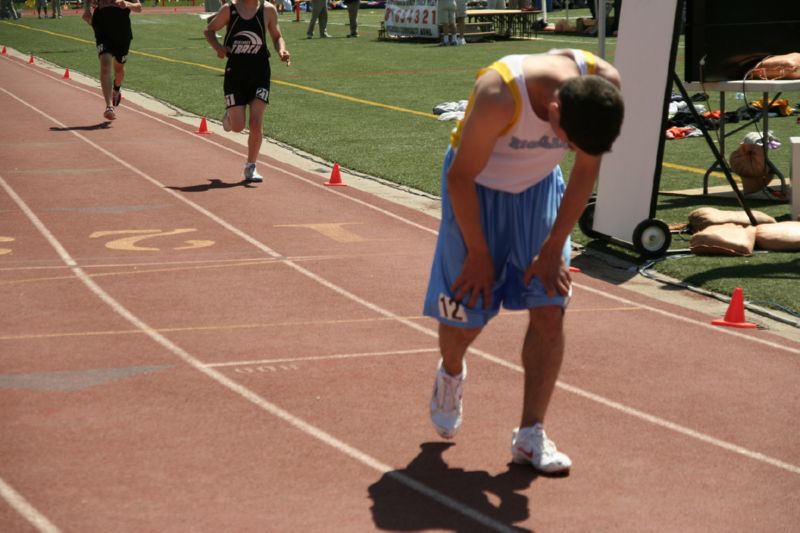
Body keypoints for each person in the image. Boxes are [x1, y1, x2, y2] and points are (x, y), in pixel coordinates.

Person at [424, 49, 623, 474]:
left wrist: (553, 248)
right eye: (565, 141)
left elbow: (586, 170)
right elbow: (460, 176)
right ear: (554, 110)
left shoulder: (601, 88)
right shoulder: (499, 93)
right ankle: (451, 373)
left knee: (550, 307)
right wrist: (478, 254)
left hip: (538, 190)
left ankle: (531, 435)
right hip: (476, 188)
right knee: (468, 316)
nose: (567, 149)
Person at [204, 0, 290, 183]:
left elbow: (276, 36)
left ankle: (251, 166)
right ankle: (229, 116)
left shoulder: (268, 10)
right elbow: (209, 31)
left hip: (260, 73)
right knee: (237, 126)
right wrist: (219, 48)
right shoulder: (230, 9)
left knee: (256, 122)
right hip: (235, 74)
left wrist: (282, 50)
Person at [83, 0, 143, 121]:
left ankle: (116, 88)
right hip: (102, 31)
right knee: (105, 64)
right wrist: (87, 10)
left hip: (122, 33)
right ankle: (109, 106)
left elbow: (139, 7)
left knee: (119, 69)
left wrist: (127, 4)